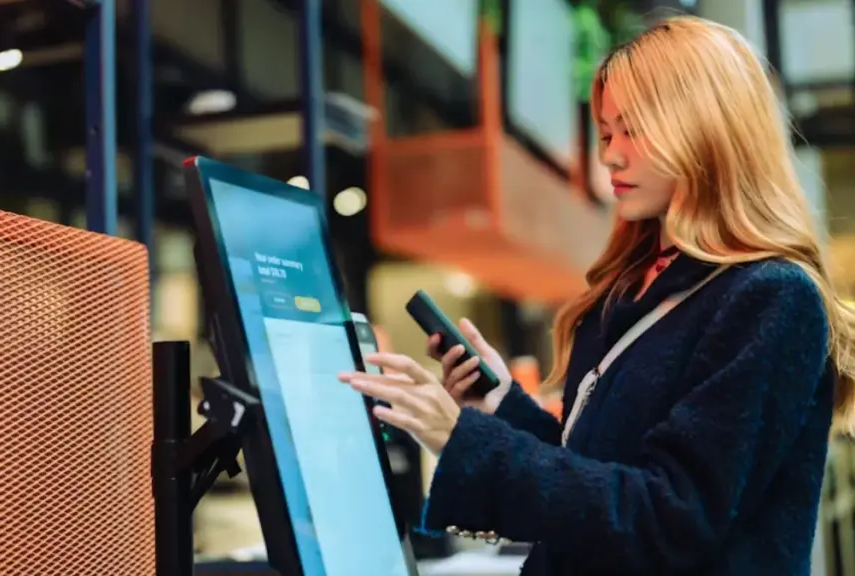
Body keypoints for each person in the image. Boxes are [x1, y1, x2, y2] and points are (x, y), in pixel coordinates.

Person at [339, 16, 855, 575]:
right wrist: (500, 407)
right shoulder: (631, 288)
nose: (610, 155)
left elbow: (670, 519)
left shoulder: (771, 299)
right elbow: (595, 476)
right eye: (607, 133)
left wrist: (465, 440)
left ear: (708, 129)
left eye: (633, 130)